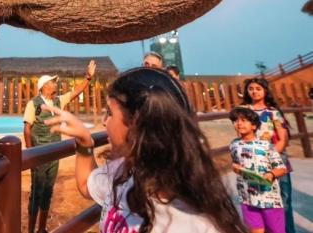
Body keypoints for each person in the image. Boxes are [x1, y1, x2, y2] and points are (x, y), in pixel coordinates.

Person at [42, 67, 245, 233]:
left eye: (110, 114)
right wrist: (85, 143)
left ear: (136, 124)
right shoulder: (127, 170)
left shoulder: (194, 225)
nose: (104, 123)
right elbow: (87, 185)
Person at [23, 60, 96, 233]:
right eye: (52, 82)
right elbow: (27, 129)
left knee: (48, 191)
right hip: (39, 156)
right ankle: (30, 231)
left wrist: (88, 78)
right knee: (36, 193)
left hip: (54, 155)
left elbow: (76, 92)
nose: (55, 83)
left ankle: (41, 229)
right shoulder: (33, 104)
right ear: (44, 86)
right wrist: (31, 154)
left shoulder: (58, 101)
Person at [241, 77, 295, 233]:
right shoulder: (244, 111)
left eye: (258, 88)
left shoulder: (273, 112)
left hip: (276, 160)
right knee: (257, 201)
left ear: (265, 91)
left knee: (283, 201)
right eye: (251, 88)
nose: (254, 91)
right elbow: (241, 134)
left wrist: (269, 157)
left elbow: (283, 138)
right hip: (252, 161)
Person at [229, 107, 287, 233]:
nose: (239, 123)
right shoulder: (233, 144)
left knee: (275, 230)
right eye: (236, 121)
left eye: (243, 120)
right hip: (247, 197)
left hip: (269, 198)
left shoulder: (266, 146)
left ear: (254, 126)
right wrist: (235, 168)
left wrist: (271, 174)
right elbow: (236, 163)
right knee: (255, 230)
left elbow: (282, 168)